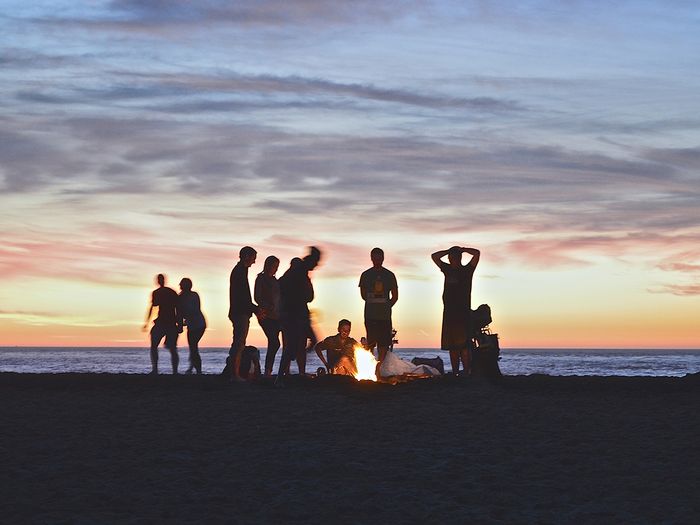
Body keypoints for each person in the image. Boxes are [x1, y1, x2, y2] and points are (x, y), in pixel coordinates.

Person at [431, 245, 480, 375]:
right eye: (450, 257)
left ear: (459, 258)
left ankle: (466, 372)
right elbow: (434, 256)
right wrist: (448, 250)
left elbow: (477, 253)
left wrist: (463, 249)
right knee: (452, 346)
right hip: (449, 313)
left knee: (464, 346)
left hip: (463, 313)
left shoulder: (467, 270)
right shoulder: (447, 269)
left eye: (453, 257)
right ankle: (455, 372)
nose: (451, 260)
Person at [277, 247, 321, 381]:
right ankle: (280, 376)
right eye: (316, 261)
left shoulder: (302, 272)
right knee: (293, 345)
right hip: (294, 313)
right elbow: (307, 295)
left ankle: (294, 368)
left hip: (298, 313)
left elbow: (308, 296)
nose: (317, 265)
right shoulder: (298, 271)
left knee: (307, 342)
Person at [359, 247, 398, 362]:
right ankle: (370, 365)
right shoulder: (365, 275)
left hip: (384, 316)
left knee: (384, 343)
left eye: (379, 257)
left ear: (383, 258)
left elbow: (395, 296)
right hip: (370, 315)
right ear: (371, 258)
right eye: (375, 257)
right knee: (370, 342)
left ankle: (379, 366)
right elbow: (363, 295)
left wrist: (386, 306)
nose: (377, 260)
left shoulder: (390, 275)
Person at [227, 246, 259, 382]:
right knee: (239, 344)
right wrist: (255, 309)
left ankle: (233, 372)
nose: (254, 262)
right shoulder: (239, 271)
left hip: (240, 311)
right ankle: (234, 374)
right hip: (240, 312)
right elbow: (243, 297)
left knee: (239, 343)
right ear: (246, 256)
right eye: (253, 258)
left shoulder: (240, 270)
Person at [142, 273, 180, 374]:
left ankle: (171, 371)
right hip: (164, 322)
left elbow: (178, 308)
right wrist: (147, 322)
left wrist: (179, 323)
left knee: (170, 348)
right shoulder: (162, 292)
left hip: (169, 322)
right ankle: (156, 369)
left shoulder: (168, 292)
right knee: (157, 346)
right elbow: (153, 307)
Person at [255, 255, 281, 376]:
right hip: (265, 315)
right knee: (274, 342)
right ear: (268, 265)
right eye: (274, 266)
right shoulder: (261, 278)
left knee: (274, 343)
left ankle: (269, 371)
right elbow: (257, 297)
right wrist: (267, 306)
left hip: (277, 316)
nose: (275, 269)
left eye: (277, 267)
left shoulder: (276, 281)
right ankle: (267, 370)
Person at [178, 277, 206, 375]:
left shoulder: (193, 295)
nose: (179, 286)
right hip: (192, 324)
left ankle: (197, 370)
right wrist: (181, 324)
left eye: (181, 284)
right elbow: (180, 313)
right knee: (193, 347)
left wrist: (182, 324)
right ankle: (192, 368)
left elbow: (195, 310)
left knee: (193, 347)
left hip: (199, 324)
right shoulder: (180, 297)